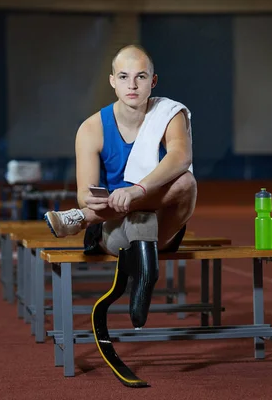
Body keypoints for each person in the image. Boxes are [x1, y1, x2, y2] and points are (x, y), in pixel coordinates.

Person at [43, 44, 197, 387]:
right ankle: (141, 270)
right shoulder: (92, 129)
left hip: (166, 223)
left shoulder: (169, 114)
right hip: (116, 229)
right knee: (138, 220)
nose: (133, 85)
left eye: (141, 77)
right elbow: (86, 191)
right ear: (113, 81)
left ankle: (79, 220)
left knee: (185, 183)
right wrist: (97, 203)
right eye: (124, 77)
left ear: (153, 81)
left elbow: (181, 158)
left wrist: (138, 191)